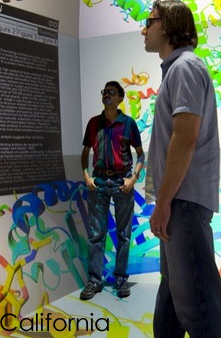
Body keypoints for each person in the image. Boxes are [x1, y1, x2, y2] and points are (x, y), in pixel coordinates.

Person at [142, 0, 221, 338]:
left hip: (183, 202)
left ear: (168, 25)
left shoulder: (185, 68)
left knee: (198, 304)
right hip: (179, 200)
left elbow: (186, 136)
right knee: (175, 294)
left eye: (149, 21)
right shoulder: (178, 69)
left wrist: (164, 203)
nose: (143, 29)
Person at [80, 80, 144, 300]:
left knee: (124, 235)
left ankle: (120, 279)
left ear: (120, 98)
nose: (107, 95)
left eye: (111, 92)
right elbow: (85, 152)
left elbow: (140, 154)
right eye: (104, 91)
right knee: (96, 235)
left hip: (122, 184)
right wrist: (87, 176)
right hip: (98, 183)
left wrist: (133, 179)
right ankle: (94, 281)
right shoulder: (93, 123)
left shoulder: (128, 124)